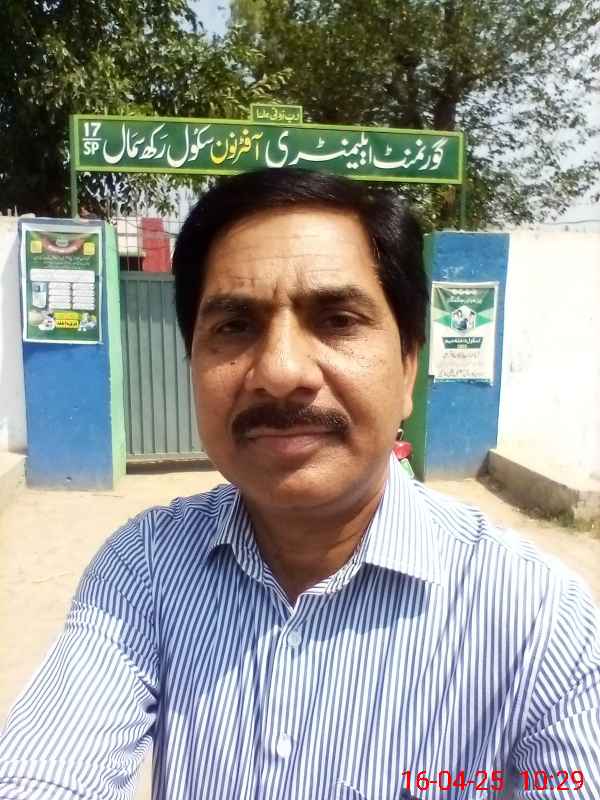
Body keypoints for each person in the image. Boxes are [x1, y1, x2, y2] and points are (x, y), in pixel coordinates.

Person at [0, 167, 599, 799]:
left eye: (337, 319)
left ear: (408, 367)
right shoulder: (144, 568)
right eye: (235, 327)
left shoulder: (538, 620)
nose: (281, 372)